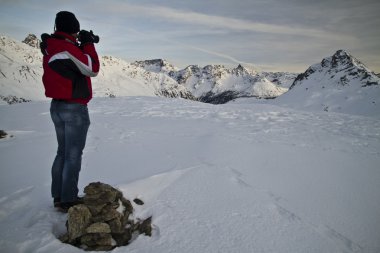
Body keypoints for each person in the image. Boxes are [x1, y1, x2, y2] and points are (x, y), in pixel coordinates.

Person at [40, 11, 100, 212]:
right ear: (73, 29)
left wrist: (79, 44)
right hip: (73, 108)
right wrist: (88, 44)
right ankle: (68, 199)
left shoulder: (52, 46)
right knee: (73, 155)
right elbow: (92, 68)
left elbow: (69, 66)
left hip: (56, 107)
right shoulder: (66, 48)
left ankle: (58, 196)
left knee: (62, 152)